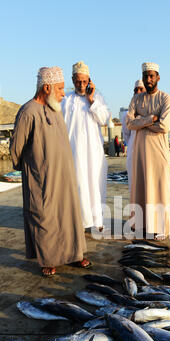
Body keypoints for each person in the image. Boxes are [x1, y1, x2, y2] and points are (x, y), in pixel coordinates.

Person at [9, 66, 91, 277]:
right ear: (47, 87)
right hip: (40, 177)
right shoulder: (28, 112)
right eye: (60, 88)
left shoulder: (55, 109)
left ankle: (74, 254)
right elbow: (16, 148)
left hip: (65, 175)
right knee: (44, 216)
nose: (64, 93)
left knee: (68, 215)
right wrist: (29, 169)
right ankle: (48, 258)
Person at [61, 61, 111, 234]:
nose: (81, 85)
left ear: (89, 80)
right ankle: (79, 222)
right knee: (78, 185)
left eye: (84, 81)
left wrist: (91, 101)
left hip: (93, 152)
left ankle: (97, 221)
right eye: (77, 81)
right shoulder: (66, 100)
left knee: (95, 184)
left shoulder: (97, 97)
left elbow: (104, 118)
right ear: (72, 80)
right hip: (73, 151)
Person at [126, 63, 170, 240]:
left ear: (158, 77)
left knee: (159, 188)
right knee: (140, 187)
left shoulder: (166, 98)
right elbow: (129, 123)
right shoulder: (136, 99)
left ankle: (161, 227)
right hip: (139, 152)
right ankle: (141, 224)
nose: (149, 79)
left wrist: (141, 122)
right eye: (146, 76)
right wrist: (149, 119)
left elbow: (164, 126)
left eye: (152, 76)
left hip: (158, 151)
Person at [121, 79, 146, 191]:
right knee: (135, 189)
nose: (138, 92)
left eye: (141, 89)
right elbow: (127, 135)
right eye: (136, 90)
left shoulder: (153, 110)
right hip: (133, 154)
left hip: (148, 153)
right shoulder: (127, 115)